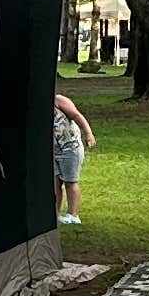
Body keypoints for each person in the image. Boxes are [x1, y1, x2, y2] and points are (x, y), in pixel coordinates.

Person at [54, 87, 96, 225]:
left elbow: (77, 116)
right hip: (53, 150)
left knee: (70, 181)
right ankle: (55, 213)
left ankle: (73, 215)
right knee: (54, 183)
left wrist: (88, 134)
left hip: (70, 147)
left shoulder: (59, 100)